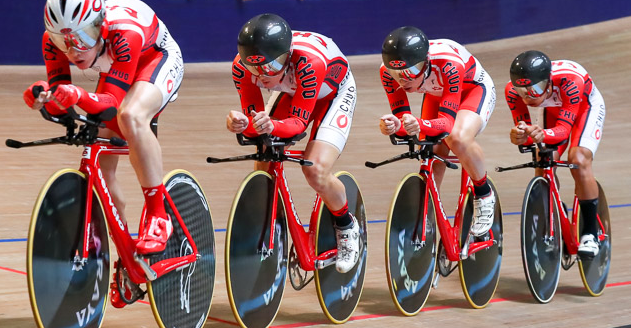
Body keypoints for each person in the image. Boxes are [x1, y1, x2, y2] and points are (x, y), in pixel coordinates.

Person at [23, 0, 185, 307]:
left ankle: (158, 215)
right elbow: (64, 99)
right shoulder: (55, 41)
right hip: (115, 72)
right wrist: (46, 98)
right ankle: (127, 255)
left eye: (81, 39)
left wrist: (79, 96)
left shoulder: (124, 33)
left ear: (100, 25)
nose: (72, 51)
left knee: (131, 117)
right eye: (61, 41)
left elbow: (110, 103)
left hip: (155, 60)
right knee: (102, 164)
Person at [225, 14, 361, 273]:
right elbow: (255, 124)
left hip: (333, 92)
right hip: (292, 90)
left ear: (286, 57)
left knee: (315, 169)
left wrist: (270, 125)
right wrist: (240, 123)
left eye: (269, 67)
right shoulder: (243, 66)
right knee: (265, 154)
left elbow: (297, 124)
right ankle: (268, 221)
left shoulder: (308, 63)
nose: (262, 76)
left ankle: (346, 226)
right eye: (255, 68)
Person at [378, 26, 497, 236]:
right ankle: (429, 215)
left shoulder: (449, 64)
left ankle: (483, 192)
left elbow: (447, 125)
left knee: (457, 138)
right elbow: (404, 120)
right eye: (397, 74)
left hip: (473, 90)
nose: (404, 80)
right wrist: (396, 126)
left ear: (426, 63)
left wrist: (420, 124)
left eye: (411, 72)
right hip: (437, 94)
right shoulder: (386, 71)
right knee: (429, 151)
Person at [505, 51, 606, 256]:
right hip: (555, 110)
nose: (528, 96)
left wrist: (541, 134)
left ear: (548, 82)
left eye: (535, 89)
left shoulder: (571, 81)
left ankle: (590, 233)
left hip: (585, 108)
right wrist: (519, 135)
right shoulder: (512, 92)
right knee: (543, 162)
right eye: (522, 91)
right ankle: (554, 213)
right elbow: (523, 130)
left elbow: (564, 131)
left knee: (577, 159)